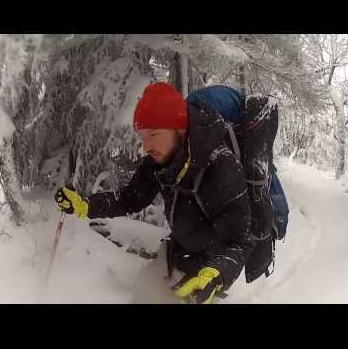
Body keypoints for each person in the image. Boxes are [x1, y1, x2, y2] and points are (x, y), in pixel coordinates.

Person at [55, 82, 254, 304]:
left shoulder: (221, 168)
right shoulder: (159, 161)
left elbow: (240, 242)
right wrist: (85, 205)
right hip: (176, 251)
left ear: (179, 128)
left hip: (207, 271)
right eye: (142, 136)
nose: (146, 146)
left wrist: (215, 274)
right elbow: (131, 198)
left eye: (153, 134)